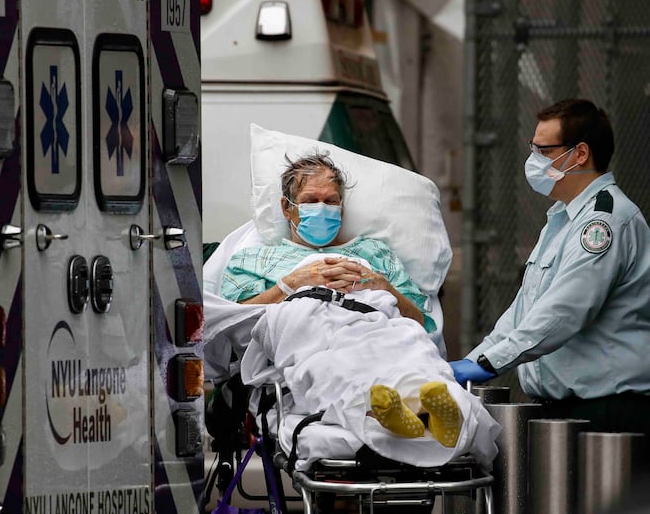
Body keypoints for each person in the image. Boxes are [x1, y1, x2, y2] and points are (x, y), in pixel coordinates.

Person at [450, 98, 650, 457]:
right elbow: (524, 312)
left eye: (543, 150)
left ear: (579, 153)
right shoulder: (561, 220)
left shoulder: (603, 223)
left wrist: (489, 364)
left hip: (608, 413)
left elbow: (563, 312)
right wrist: (474, 359)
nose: (534, 160)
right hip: (568, 412)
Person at [220, 152, 435, 334]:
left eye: (330, 201)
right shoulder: (253, 260)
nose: (322, 208)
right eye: (310, 201)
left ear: (340, 208)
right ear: (287, 208)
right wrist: (292, 283)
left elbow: (421, 325)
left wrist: (383, 286)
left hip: (379, 338)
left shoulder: (376, 254)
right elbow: (231, 325)